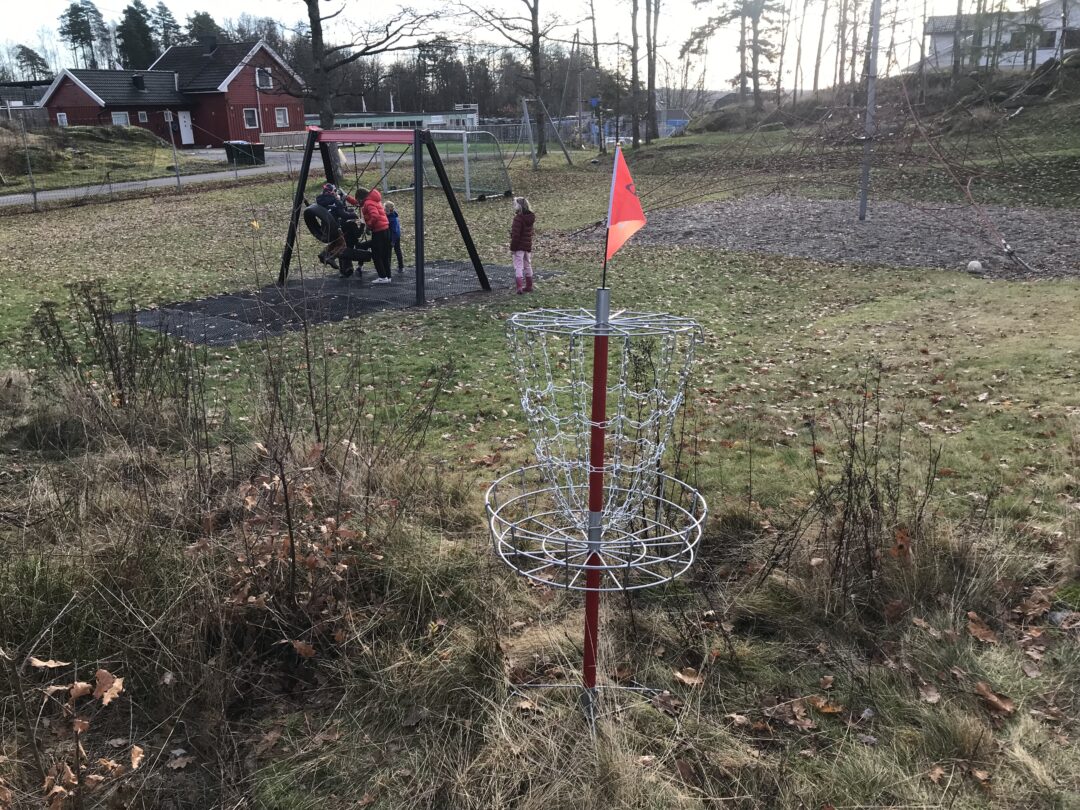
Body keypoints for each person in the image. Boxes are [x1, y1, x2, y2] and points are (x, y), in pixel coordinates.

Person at [315, 183, 365, 278]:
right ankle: (330, 257)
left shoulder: (319, 200)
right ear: (332, 192)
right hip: (334, 226)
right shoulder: (336, 201)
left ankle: (323, 254)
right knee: (342, 245)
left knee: (335, 243)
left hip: (324, 227)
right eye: (335, 191)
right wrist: (355, 216)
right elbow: (343, 214)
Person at [360, 187, 393, 284]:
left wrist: (369, 225)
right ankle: (388, 276)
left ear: (361, 197)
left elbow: (375, 216)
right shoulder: (374, 200)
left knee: (376, 255)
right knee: (384, 255)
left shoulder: (368, 203)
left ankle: (382, 276)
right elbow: (358, 203)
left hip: (378, 231)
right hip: (386, 229)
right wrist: (347, 197)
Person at [509, 196, 536, 294]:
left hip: (519, 247)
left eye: (515, 204)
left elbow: (516, 236)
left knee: (518, 266)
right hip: (527, 245)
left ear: (519, 206)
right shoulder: (531, 218)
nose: (514, 206)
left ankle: (519, 287)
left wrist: (513, 248)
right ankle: (529, 286)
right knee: (527, 265)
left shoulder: (518, 219)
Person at [385, 200, 404, 272]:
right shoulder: (392, 215)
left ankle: (400, 266)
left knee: (393, 251)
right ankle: (399, 266)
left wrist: (393, 241)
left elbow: (394, 231)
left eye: (386, 209)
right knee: (395, 250)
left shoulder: (392, 219)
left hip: (394, 236)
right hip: (395, 235)